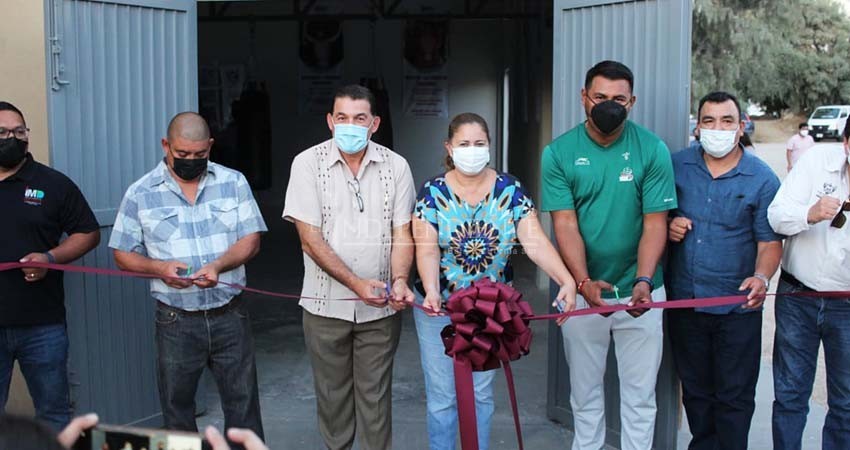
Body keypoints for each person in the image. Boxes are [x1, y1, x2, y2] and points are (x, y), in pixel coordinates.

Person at [412, 113, 577, 450]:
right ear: (449, 147)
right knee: (443, 397)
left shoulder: (510, 189)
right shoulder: (433, 191)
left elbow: (534, 241)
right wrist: (430, 289)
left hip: (489, 308)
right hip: (437, 308)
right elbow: (425, 247)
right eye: (463, 144)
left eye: (479, 144)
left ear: (489, 146)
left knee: (479, 393)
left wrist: (566, 279)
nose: (471, 151)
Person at [540, 60, 677, 450]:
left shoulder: (651, 149)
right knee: (584, 396)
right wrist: (582, 282)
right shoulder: (559, 153)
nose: (608, 105)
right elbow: (564, 224)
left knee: (639, 397)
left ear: (632, 102)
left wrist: (644, 280)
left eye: (618, 99)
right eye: (600, 97)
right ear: (584, 98)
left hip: (643, 291)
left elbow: (655, 222)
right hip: (582, 293)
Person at [109, 112, 266, 437]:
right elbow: (122, 254)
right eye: (182, 154)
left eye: (199, 155)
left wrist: (218, 265)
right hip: (176, 321)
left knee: (243, 406)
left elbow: (251, 241)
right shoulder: (141, 193)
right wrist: (159, 268)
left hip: (230, 316)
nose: (191, 161)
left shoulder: (233, 182)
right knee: (177, 411)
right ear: (166, 145)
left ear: (210, 146)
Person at [282, 84, 415, 450]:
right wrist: (356, 284)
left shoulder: (396, 166)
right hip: (325, 308)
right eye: (342, 118)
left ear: (374, 123)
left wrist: (401, 279)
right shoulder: (307, 164)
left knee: (375, 402)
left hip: (381, 309)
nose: (350, 125)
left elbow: (403, 232)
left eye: (359, 118)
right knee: (333, 401)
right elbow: (309, 239)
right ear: (330, 121)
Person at [666, 91, 782, 450]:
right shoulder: (676, 166)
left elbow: (769, 243)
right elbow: (653, 217)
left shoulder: (762, 178)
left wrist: (761, 277)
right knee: (696, 395)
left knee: (734, 398)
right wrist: (671, 223)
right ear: (697, 127)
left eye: (727, 121)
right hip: (686, 304)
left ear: (742, 125)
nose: (718, 128)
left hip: (737, 310)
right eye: (709, 121)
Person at [0, 101, 100, 431]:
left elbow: (88, 232)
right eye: (2, 132)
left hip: (42, 325)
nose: (11, 138)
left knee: (54, 416)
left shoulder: (53, 184)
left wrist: (51, 258)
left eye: (18, 131)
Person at [767, 121, 850, 449]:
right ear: (846, 142)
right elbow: (776, 216)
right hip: (797, 296)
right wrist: (810, 213)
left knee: (845, 403)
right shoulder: (816, 162)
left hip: (846, 305)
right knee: (789, 397)